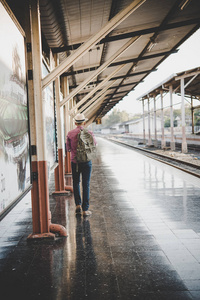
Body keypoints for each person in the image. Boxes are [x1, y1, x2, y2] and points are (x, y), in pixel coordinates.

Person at [66, 113, 96, 216]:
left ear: (75, 123)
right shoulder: (89, 132)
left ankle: (78, 205)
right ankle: (85, 209)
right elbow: (94, 144)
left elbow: (68, 148)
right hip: (87, 161)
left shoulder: (70, 133)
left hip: (75, 162)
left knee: (76, 183)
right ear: (84, 122)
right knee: (86, 184)